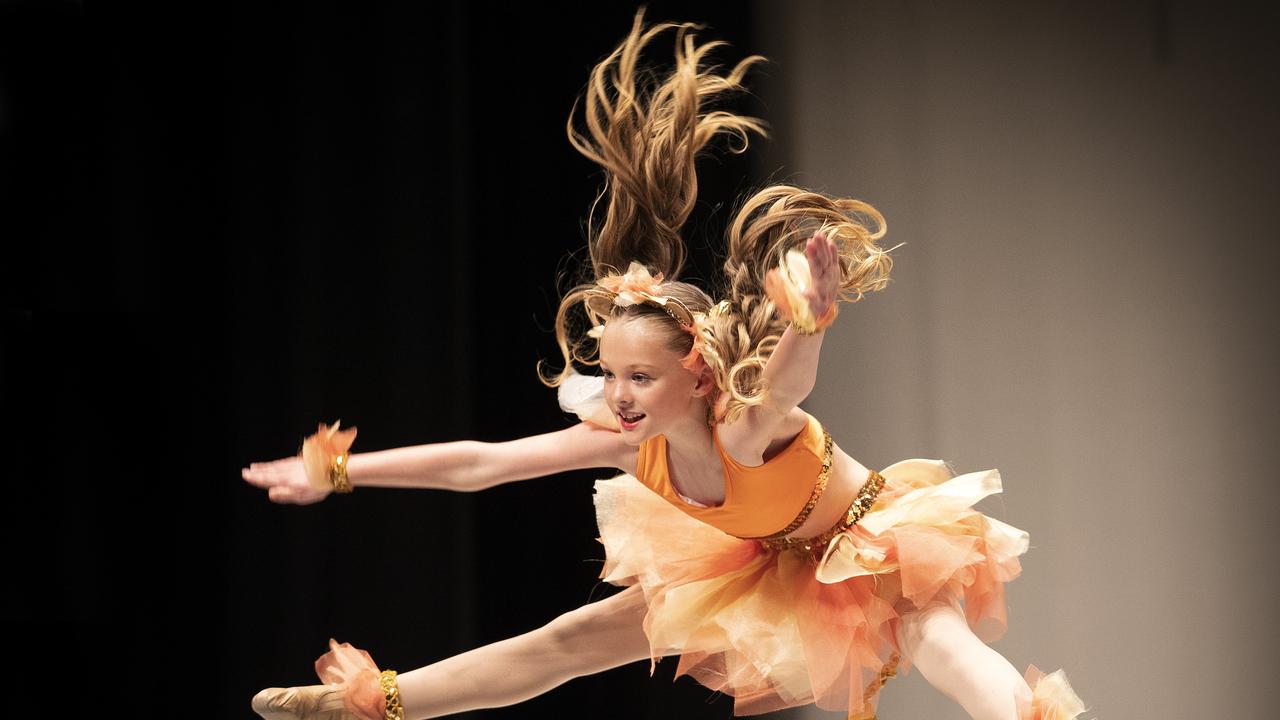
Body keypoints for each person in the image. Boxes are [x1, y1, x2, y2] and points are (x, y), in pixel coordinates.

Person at [242, 10, 1088, 720]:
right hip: (765, 559)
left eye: (640, 379)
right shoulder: (626, 438)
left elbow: (792, 381)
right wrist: (339, 468)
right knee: (571, 640)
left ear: (700, 374)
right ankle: (374, 704)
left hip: (867, 545)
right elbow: (481, 466)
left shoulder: (746, 425)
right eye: (610, 376)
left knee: (933, 638)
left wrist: (811, 320)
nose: (617, 396)